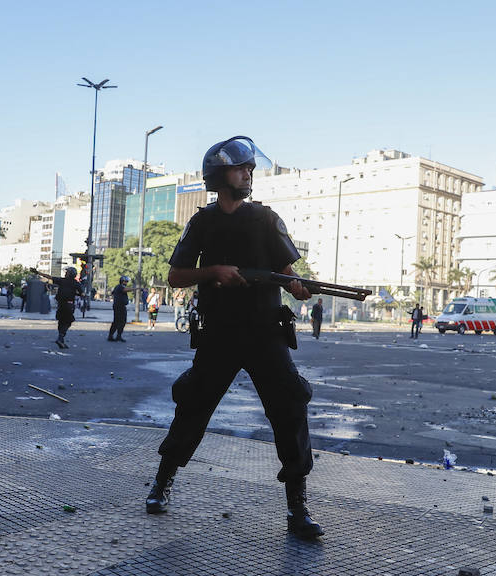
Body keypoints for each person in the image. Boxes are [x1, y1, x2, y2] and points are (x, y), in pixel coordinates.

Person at [145, 136, 323, 539]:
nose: (248, 175)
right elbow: (176, 276)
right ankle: (162, 482)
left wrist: (297, 288)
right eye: (241, 169)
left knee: (291, 406)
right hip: (218, 333)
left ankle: (297, 506)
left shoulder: (265, 219)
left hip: (265, 332)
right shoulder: (202, 222)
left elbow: (287, 271)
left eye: (249, 169)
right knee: (193, 404)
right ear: (220, 176)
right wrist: (214, 272)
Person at [33, 267, 83, 349]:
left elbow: (49, 277)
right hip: (69, 304)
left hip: (61, 304)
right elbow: (82, 294)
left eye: (67, 272)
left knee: (61, 321)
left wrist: (38, 272)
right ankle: (61, 337)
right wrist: (76, 293)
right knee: (68, 321)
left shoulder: (62, 281)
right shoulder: (76, 283)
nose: (65, 273)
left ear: (70, 274)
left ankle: (61, 340)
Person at [108, 275, 130, 342]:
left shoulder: (119, 287)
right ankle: (111, 335)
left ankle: (118, 335)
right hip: (118, 306)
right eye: (125, 281)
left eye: (127, 281)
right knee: (117, 321)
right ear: (122, 281)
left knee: (122, 321)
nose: (126, 283)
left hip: (121, 306)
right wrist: (136, 288)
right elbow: (125, 290)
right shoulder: (120, 287)